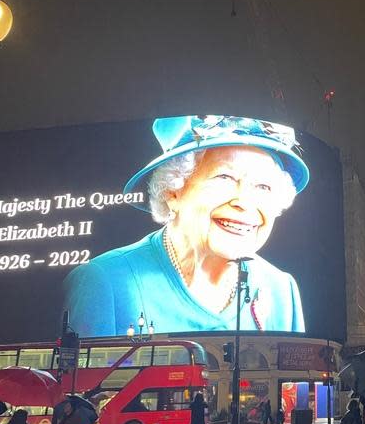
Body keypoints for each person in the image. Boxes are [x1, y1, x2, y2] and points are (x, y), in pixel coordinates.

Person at [64, 115, 310, 337]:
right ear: (173, 191)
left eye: (263, 187)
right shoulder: (106, 282)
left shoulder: (281, 290)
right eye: (225, 178)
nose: (244, 203)